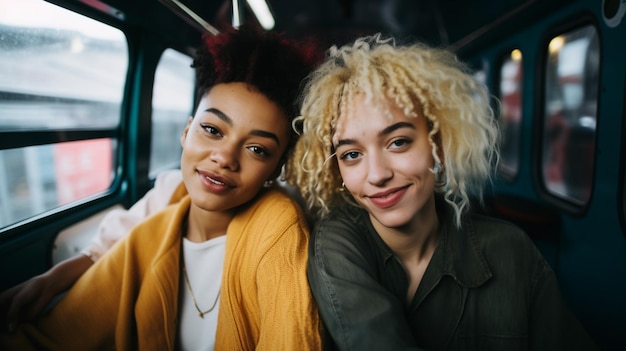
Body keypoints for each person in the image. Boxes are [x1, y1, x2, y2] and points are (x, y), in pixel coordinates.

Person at [0, 25, 322, 350]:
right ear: (186, 132)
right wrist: (51, 280)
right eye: (211, 129)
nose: (224, 158)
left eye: (257, 149)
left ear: (275, 171)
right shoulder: (154, 227)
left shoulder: (279, 230)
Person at [285, 34, 598, 350]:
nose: (377, 175)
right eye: (351, 155)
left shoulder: (511, 250)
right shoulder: (337, 243)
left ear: (439, 145)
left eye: (398, 142)